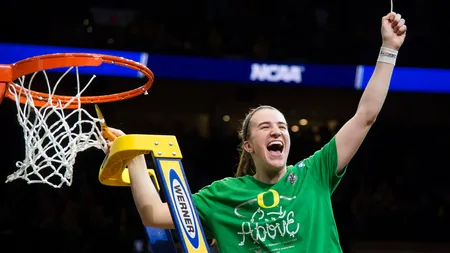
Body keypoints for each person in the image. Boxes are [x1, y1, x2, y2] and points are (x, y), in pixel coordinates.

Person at [105, 12, 407, 253]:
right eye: (266, 126)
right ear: (248, 145)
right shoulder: (222, 195)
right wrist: (131, 155)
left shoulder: (314, 173)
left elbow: (365, 116)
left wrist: (389, 50)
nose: (277, 130)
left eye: (281, 126)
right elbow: (154, 215)